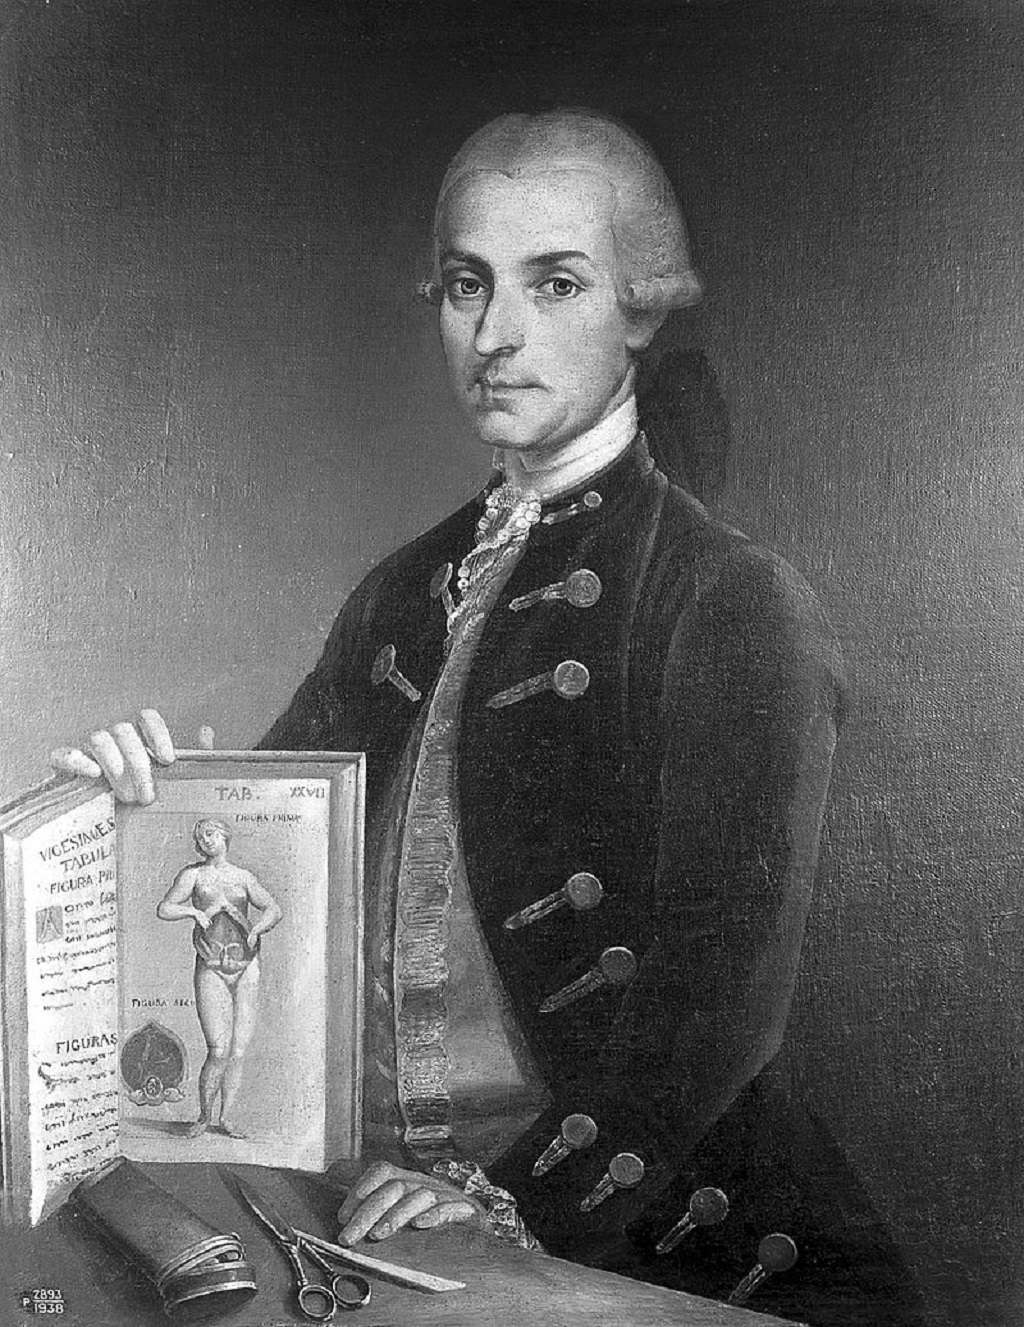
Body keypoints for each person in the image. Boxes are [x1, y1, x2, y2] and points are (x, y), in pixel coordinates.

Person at [54, 109, 923, 1324]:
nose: (495, 334)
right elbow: (271, 868)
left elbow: (714, 1007)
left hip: (637, 1230)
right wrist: (143, 808)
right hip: (368, 1202)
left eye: (554, 283)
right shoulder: (403, 590)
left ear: (640, 309)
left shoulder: (726, 598)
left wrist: (506, 1194)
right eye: (468, 285)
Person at [156, 818, 283, 1138]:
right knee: (218, 1049)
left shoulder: (243, 877)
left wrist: (257, 929)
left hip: (246, 964)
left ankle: (226, 1118)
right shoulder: (193, 875)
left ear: (225, 837)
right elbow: (165, 908)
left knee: (238, 1051)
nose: (206, 841)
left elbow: (273, 909)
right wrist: (193, 912)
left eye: (211, 834)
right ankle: (204, 1117)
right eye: (201, 838)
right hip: (211, 963)